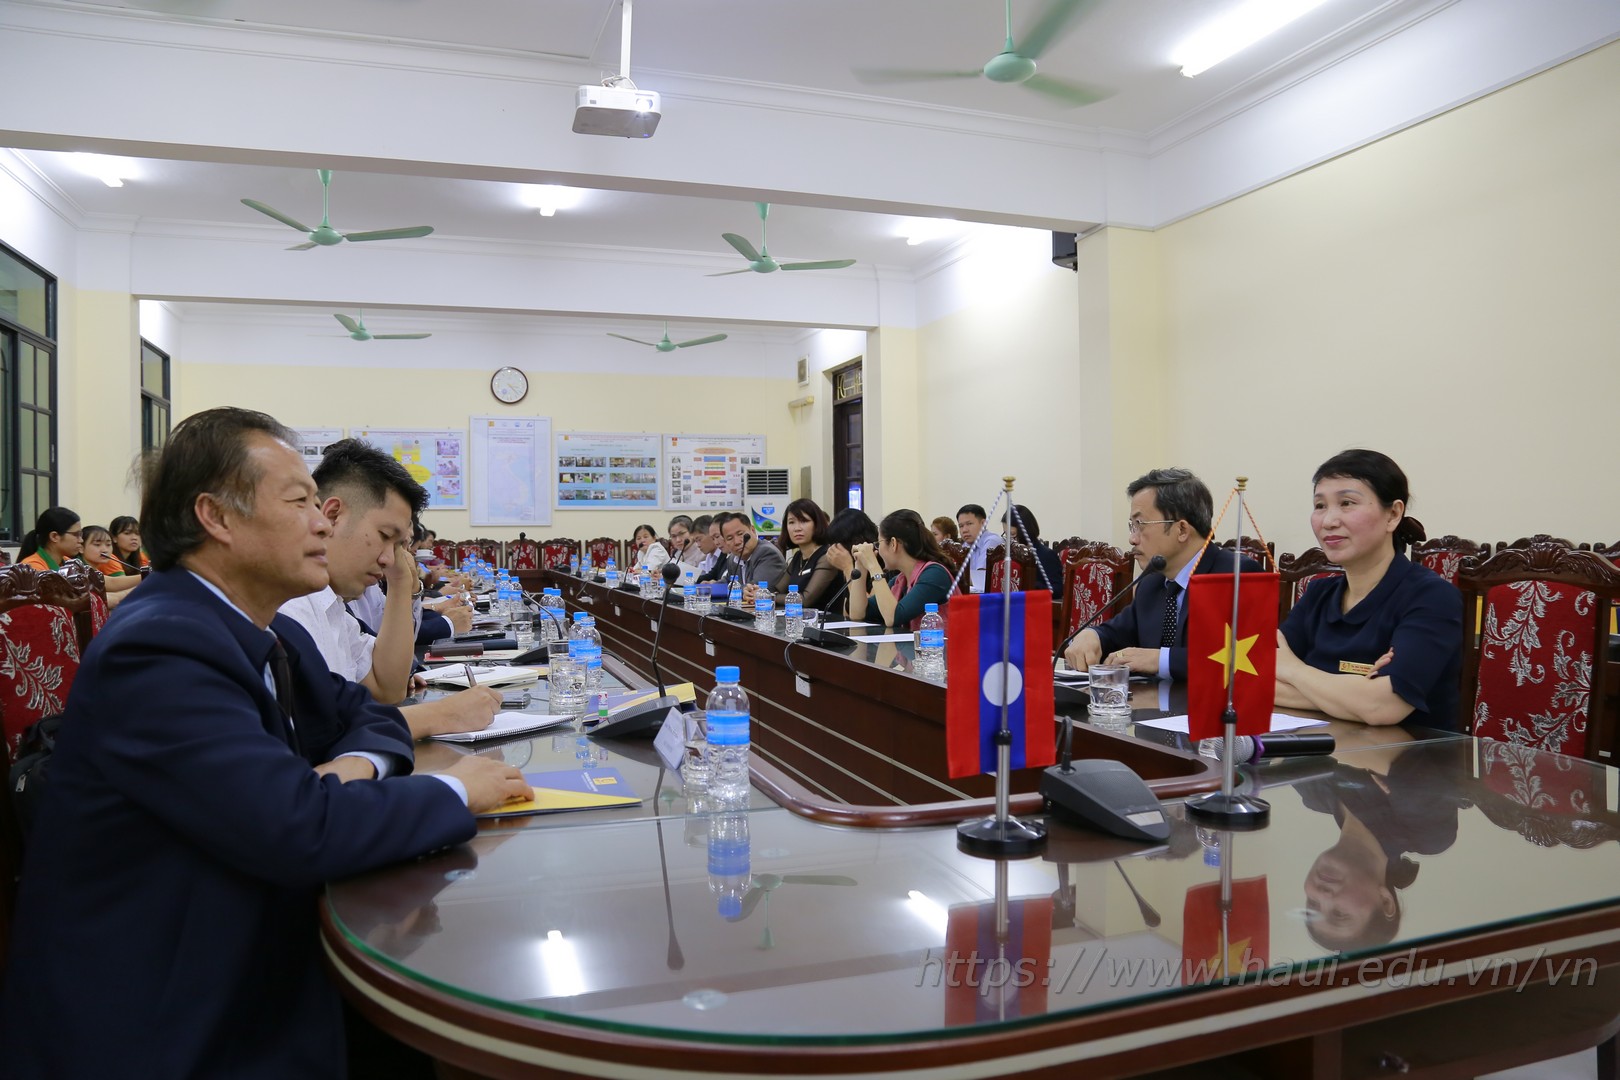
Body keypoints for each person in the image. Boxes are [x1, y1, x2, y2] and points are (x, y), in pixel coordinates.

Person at [0, 407, 531, 1079]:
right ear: (217, 519)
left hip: (246, 948)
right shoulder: (161, 645)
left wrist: (350, 768)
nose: (321, 522)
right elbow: (298, 829)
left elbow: (365, 714)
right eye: (300, 502)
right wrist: (457, 788)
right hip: (178, 1016)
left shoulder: (260, 628)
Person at [279, 439, 499, 740]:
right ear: (331, 516)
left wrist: (400, 584)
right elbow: (321, 737)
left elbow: (388, 688)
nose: (388, 559)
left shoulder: (329, 604)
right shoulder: (289, 607)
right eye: (385, 536)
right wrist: (441, 714)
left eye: (399, 545)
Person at [1276, 449, 1462, 729]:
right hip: (1320, 757)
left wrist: (1293, 669)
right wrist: (1354, 695)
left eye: (1347, 503)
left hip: (1410, 763)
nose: (1328, 521)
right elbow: (1253, 679)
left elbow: (1382, 706)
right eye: (1320, 505)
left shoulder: (1433, 597)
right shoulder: (1318, 593)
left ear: (1393, 515)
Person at [1063, 468, 1260, 682]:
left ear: (1182, 530)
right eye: (1132, 526)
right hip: (1154, 708)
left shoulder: (1236, 576)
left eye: (1140, 524)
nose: (1132, 539)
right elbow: (1118, 632)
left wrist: (1161, 660)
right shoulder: (1152, 583)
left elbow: (1246, 660)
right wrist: (1093, 636)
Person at [840, 509, 955, 629]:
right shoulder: (900, 580)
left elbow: (893, 617)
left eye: (879, 544)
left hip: (940, 647)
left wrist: (873, 566)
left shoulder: (934, 574)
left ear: (893, 544)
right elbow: (858, 614)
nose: (877, 550)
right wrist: (861, 566)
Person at [761, 498, 839, 609]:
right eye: (791, 522)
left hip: (827, 623)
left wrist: (768, 597)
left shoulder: (827, 556)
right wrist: (758, 592)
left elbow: (805, 600)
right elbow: (778, 589)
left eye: (804, 521)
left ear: (817, 524)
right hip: (798, 620)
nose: (797, 528)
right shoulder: (798, 556)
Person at [77, 524, 143, 605]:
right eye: (97, 545)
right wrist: (147, 576)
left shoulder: (94, 569)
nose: (105, 550)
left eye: (108, 545)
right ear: (81, 548)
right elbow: (113, 583)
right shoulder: (77, 568)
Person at [719, 511, 787, 587]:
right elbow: (728, 582)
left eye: (740, 534)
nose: (737, 542)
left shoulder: (767, 553)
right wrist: (710, 586)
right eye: (730, 538)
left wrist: (731, 589)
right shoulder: (733, 559)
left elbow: (755, 589)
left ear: (753, 530)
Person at [1007, 503, 1063, 593]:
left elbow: (1057, 589)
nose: (1010, 540)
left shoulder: (1046, 555)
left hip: (1034, 603)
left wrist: (1033, 585)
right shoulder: (1008, 554)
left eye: (1012, 534)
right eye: (1006, 534)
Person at [17, 506, 82, 572]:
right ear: (54, 536)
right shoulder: (32, 567)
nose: (81, 540)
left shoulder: (69, 563)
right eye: (76, 534)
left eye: (80, 535)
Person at [956, 503, 1003, 594]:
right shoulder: (966, 545)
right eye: (961, 526)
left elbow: (981, 579)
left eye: (969, 524)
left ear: (983, 523)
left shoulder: (991, 541)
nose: (964, 530)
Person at [693, 515, 728, 583]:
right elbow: (712, 575)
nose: (716, 542)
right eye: (713, 538)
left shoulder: (728, 554)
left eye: (717, 536)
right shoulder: (724, 554)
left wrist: (716, 584)